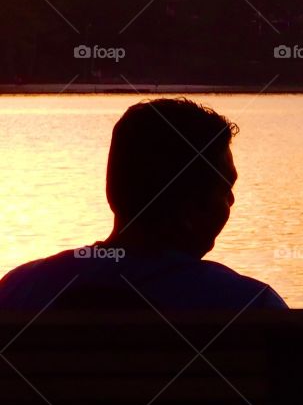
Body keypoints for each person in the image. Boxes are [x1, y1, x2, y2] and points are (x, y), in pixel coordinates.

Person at [0, 97, 286, 311]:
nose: (231, 202)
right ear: (189, 209)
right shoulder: (250, 306)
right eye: (226, 189)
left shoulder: (20, 289)